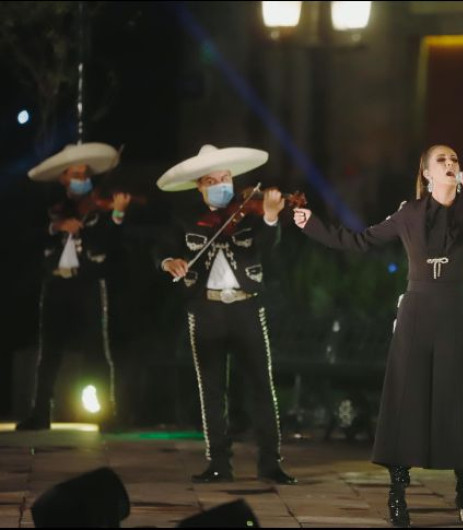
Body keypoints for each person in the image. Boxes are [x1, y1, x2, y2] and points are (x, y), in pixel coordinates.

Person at [293, 144, 463, 527]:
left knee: (459, 400)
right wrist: (312, 224)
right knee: (406, 398)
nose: (450, 163)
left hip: (455, 313)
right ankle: (397, 495)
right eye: (441, 160)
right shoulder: (409, 212)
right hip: (416, 313)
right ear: (426, 173)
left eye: (454, 159)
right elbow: (360, 240)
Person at [155, 144, 296, 485]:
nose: (221, 185)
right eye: (212, 181)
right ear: (199, 186)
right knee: (212, 389)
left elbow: (267, 247)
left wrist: (271, 216)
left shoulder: (250, 214)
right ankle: (218, 462)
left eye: (226, 178)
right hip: (206, 308)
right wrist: (168, 261)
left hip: (247, 306)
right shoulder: (186, 218)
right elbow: (162, 248)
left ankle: (270, 463)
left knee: (261, 385)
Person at [18, 143, 130, 432]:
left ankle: (106, 412)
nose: (83, 179)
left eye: (85, 175)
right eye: (76, 175)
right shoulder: (50, 208)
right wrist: (56, 228)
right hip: (56, 283)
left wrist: (117, 215)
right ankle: (40, 413)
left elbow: (110, 244)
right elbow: (26, 238)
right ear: (63, 178)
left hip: (88, 284)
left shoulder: (98, 210)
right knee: (49, 352)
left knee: (97, 350)